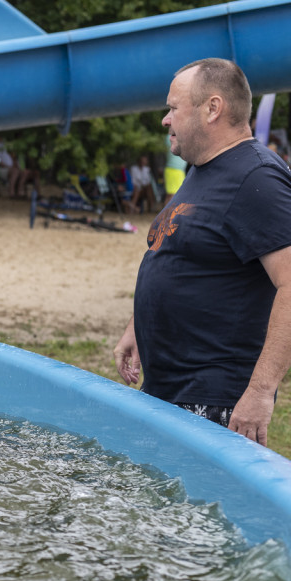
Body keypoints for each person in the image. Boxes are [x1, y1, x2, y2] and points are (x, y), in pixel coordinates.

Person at [113, 58, 291, 447]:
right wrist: (137, 325)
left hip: (213, 402)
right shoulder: (203, 169)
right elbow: (182, 254)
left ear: (213, 109)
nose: (165, 120)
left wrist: (260, 392)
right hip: (170, 391)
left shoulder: (256, 177)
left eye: (174, 108)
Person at [163, 134, 188, 203]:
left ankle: (168, 213)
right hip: (174, 170)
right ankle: (168, 213)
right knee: (172, 195)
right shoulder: (171, 137)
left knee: (172, 195)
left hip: (178, 171)